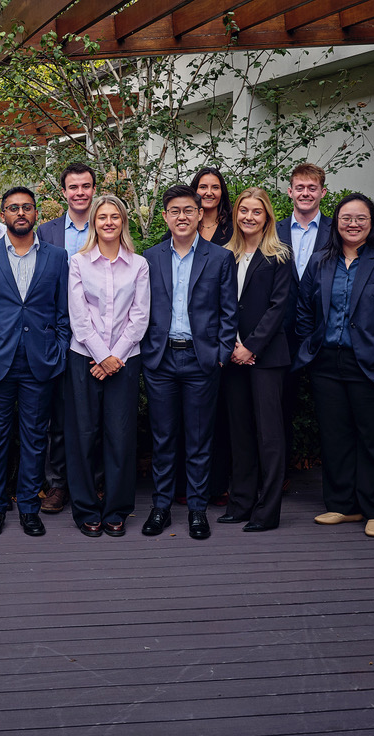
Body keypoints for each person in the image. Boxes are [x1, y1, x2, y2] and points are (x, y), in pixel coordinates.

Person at [294, 192, 374, 538]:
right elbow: (305, 308)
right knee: (336, 437)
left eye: (360, 218)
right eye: (346, 218)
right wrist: (311, 346)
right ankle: (342, 505)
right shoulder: (321, 261)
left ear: (372, 224)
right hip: (327, 363)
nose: (353, 224)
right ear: (336, 223)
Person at [139, 185, 237, 541]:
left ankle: (197, 509)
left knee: (199, 439)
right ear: (165, 216)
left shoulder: (220, 258)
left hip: (201, 361)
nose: (182, 217)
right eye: (174, 211)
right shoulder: (150, 257)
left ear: (200, 215)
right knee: (163, 439)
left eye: (188, 211)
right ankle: (161, 507)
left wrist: (222, 355)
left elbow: (229, 312)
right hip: (161, 360)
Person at [0, 187, 70, 538]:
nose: (20, 213)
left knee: (34, 438)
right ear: (3, 213)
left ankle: (29, 507)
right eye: (13, 208)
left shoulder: (57, 257)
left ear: (35, 213)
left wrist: (58, 349)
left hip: (39, 362)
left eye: (26, 207)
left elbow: (63, 312)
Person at [64, 195, 149, 537]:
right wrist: (102, 356)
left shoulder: (139, 265)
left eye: (115, 216)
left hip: (126, 358)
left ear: (123, 221)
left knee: (120, 436)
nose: (109, 222)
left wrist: (115, 358)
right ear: (94, 223)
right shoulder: (79, 262)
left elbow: (140, 316)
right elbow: (79, 317)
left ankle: (116, 509)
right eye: (103, 217)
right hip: (83, 357)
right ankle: (86, 509)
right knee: (83, 436)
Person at [219, 188, 292, 532]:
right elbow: (221, 304)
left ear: (267, 218)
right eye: (243, 211)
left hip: (265, 357)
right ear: (236, 215)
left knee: (269, 436)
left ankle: (267, 511)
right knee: (240, 433)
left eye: (256, 212)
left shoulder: (279, 255)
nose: (249, 217)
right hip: (232, 355)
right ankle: (241, 502)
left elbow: (279, 308)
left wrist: (251, 346)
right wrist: (233, 344)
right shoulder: (225, 255)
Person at [36, 161, 97, 515]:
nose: (79, 192)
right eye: (73, 187)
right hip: (60, 336)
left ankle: (94, 481)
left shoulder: (107, 224)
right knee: (57, 417)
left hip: (101, 338)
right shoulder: (47, 232)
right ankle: (57, 485)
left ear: (93, 189)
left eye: (85, 186)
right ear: (64, 192)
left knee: (95, 415)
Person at [275, 163, 332, 474]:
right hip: (281, 334)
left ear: (322, 192)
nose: (305, 193)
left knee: (330, 409)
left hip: (323, 332)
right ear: (290, 192)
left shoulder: (337, 230)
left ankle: (335, 482)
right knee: (280, 407)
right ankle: (278, 475)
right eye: (300, 187)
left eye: (312, 188)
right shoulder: (275, 230)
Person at [190, 164, 234, 503]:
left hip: (223, 334)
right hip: (187, 341)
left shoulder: (233, 229)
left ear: (222, 192)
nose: (208, 192)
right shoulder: (181, 227)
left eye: (214, 187)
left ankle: (216, 485)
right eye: (202, 186)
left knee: (219, 418)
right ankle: (186, 486)